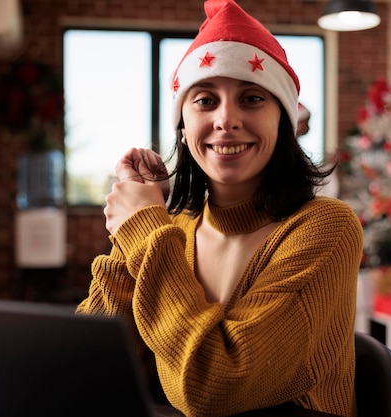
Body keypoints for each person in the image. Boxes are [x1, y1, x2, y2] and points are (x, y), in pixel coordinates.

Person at [76, 1, 363, 416]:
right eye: (205, 101)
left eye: (251, 98)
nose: (226, 119)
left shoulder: (326, 228)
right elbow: (92, 364)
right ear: (183, 126)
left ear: (283, 120)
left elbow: (213, 387)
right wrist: (130, 237)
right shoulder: (175, 229)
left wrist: (144, 232)